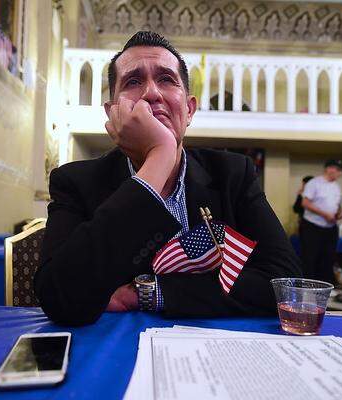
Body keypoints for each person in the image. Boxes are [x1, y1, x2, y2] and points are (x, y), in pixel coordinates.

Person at [35, 31, 301, 326]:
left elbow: (284, 284)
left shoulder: (234, 174)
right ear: (113, 113)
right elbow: (60, 298)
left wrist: (148, 293)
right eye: (133, 81)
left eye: (166, 79)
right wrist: (159, 155)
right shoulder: (75, 181)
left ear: (189, 110)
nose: (152, 93)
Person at [299, 160, 342, 284]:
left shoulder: (336, 186)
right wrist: (325, 214)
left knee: (328, 258)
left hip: (330, 228)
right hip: (313, 227)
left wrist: (339, 212)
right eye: (338, 170)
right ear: (329, 169)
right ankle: (307, 287)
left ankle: (324, 288)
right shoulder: (314, 183)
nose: (340, 173)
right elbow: (305, 203)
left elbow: (338, 204)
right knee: (310, 258)